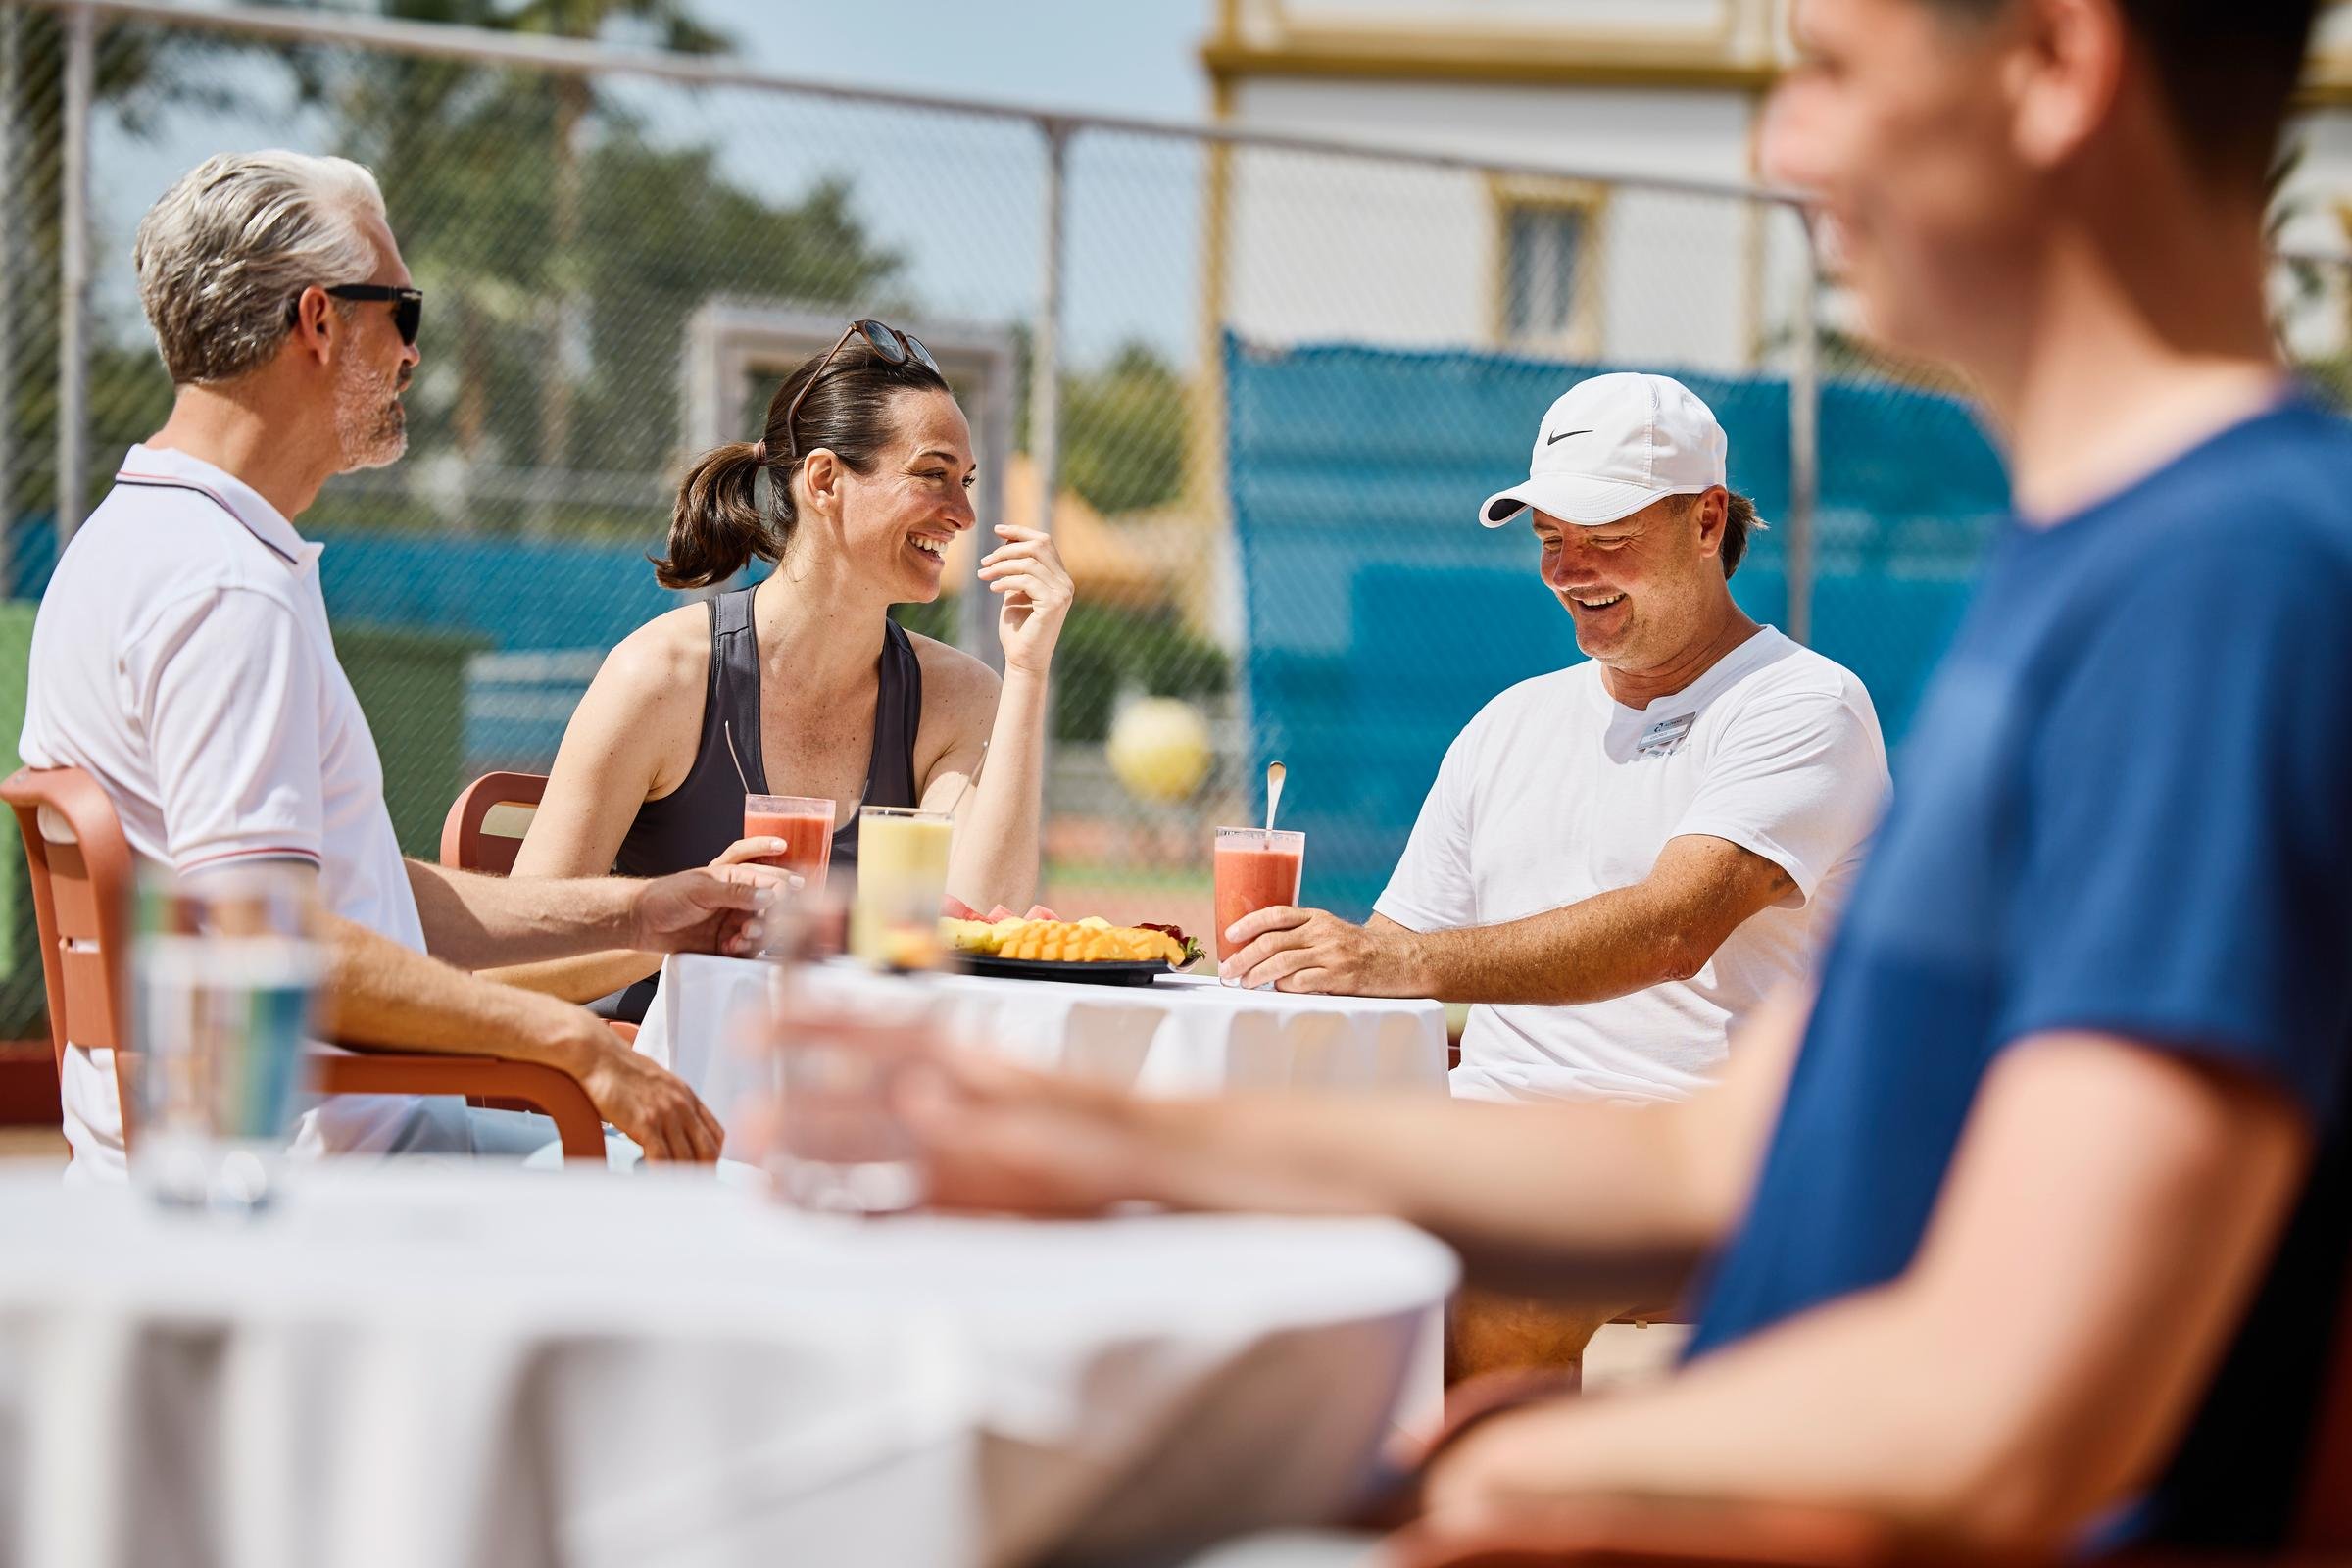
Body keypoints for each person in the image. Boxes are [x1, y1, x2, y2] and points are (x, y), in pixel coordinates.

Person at [902, 0, 2352, 1558]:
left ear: (2060, 64)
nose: (1782, 144)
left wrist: (1505, 1475)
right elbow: (1711, 1156)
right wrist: (1113, 1135)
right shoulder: (2107, 564)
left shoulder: (2227, 585)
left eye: (1831, 69)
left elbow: (2020, 1421)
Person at [21, 150, 778, 1180]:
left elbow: (350, 905)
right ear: (319, 321)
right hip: (316, 1179)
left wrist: (642, 913)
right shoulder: (226, 590)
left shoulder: (132, 542)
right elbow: (272, 945)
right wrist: (573, 1043)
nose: (414, 356)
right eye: (403, 313)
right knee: (752, 1198)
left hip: (255, 1153)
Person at [1223, 372, 1887, 1112]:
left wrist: (1386, 960)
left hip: (1692, 1154)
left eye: (1606, 537)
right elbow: (1383, 964)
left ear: (1707, 522)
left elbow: (1672, 933)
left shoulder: (1804, 703)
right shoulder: (1509, 722)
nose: (1568, 571)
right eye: (1550, 539)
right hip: (1485, 1131)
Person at [492, 322, 1074, 1020]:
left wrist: (1028, 671)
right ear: (825, 481)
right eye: (933, 475)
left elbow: (979, 919)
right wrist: (682, 925)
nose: (964, 514)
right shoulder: (663, 677)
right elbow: (514, 962)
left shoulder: (957, 695)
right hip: (659, 1076)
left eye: (967, 481)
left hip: (849, 1075)